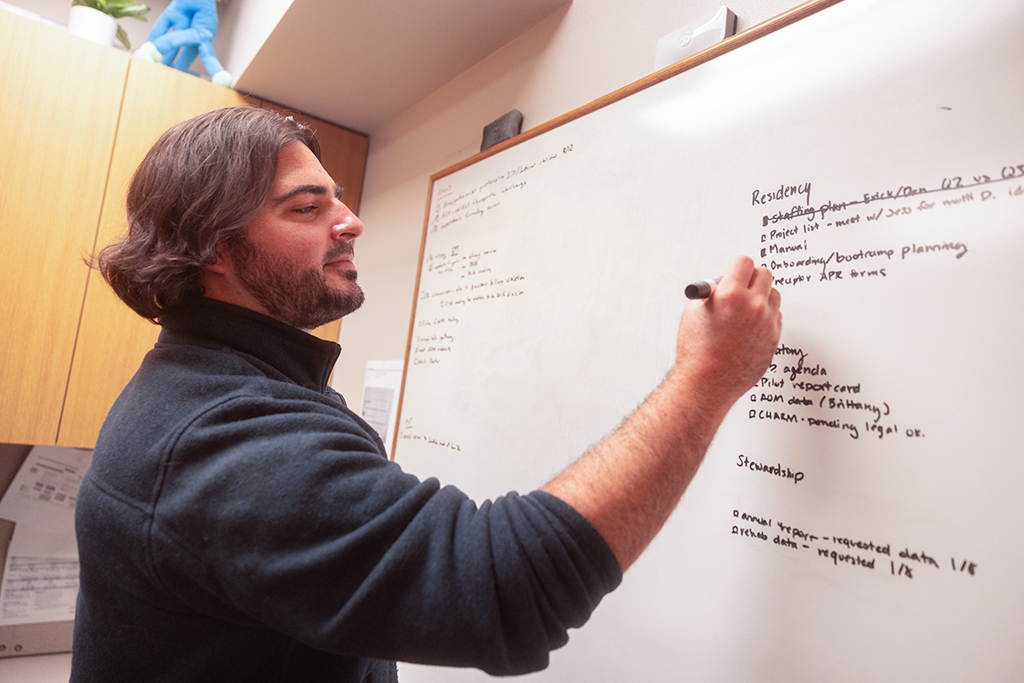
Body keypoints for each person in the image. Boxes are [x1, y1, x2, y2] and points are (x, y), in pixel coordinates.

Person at [71, 106, 781, 682]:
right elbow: (505, 590)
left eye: (337, 199)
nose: (349, 221)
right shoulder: (221, 435)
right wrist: (708, 375)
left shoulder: (215, 385)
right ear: (213, 249)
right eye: (307, 207)